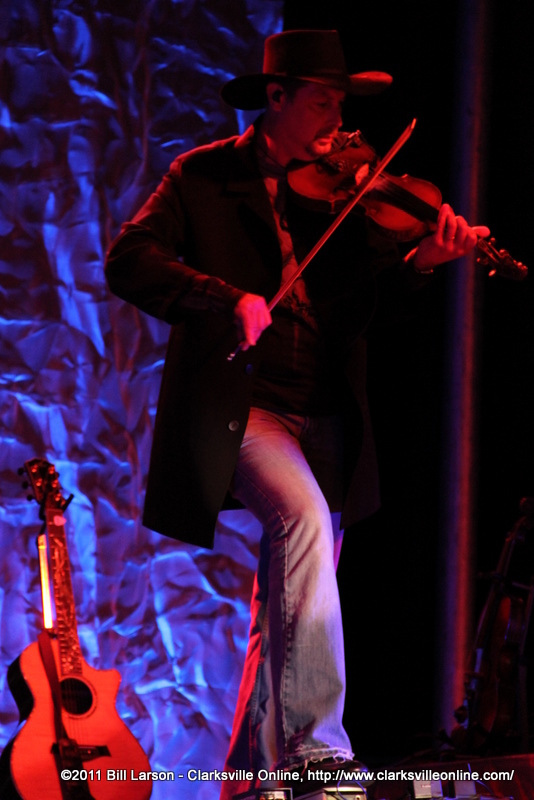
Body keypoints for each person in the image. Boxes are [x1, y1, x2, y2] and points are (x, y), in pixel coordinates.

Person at [105, 29, 488, 799]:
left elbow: (372, 304)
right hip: (245, 406)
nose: (337, 123)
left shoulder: (346, 190)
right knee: (303, 520)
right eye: (322, 102)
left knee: (287, 598)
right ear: (275, 98)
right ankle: (315, 750)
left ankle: (249, 777)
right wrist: (225, 298)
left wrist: (422, 263)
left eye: (341, 104)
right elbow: (129, 259)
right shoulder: (204, 175)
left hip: (328, 409)